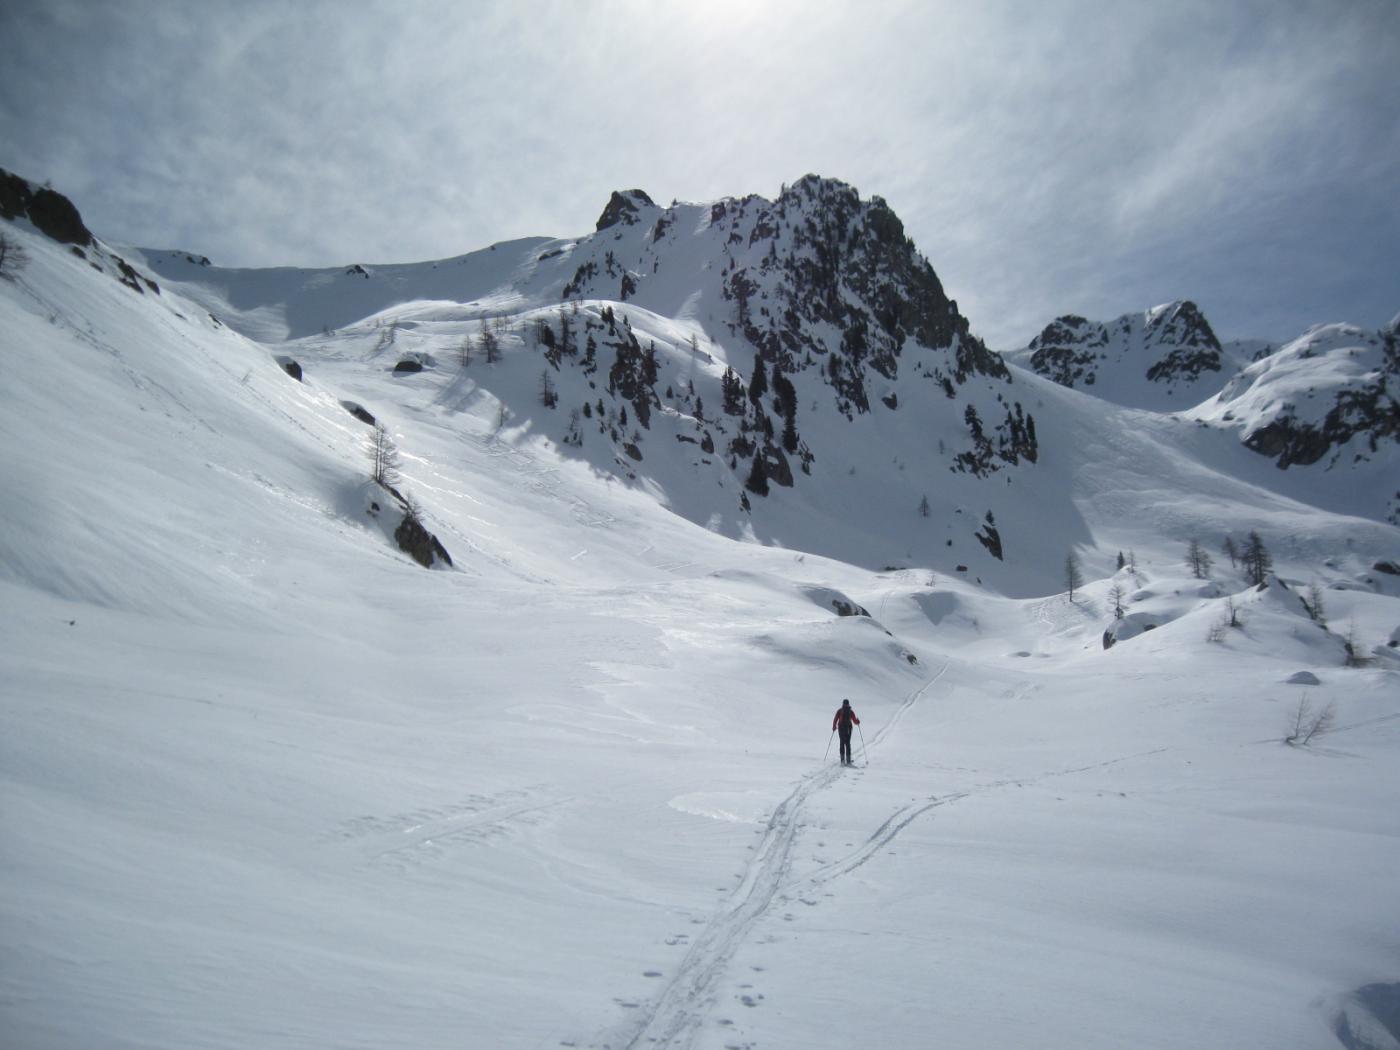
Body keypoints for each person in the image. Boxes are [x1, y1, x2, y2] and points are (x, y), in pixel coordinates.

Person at [832, 698, 860, 765]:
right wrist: (858, 721)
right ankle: (848, 760)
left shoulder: (840, 711)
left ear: (843, 704)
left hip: (841, 728)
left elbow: (835, 719)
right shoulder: (850, 711)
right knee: (847, 743)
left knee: (841, 743)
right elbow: (855, 721)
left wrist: (834, 727)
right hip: (848, 729)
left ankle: (842, 760)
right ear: (848, 704)